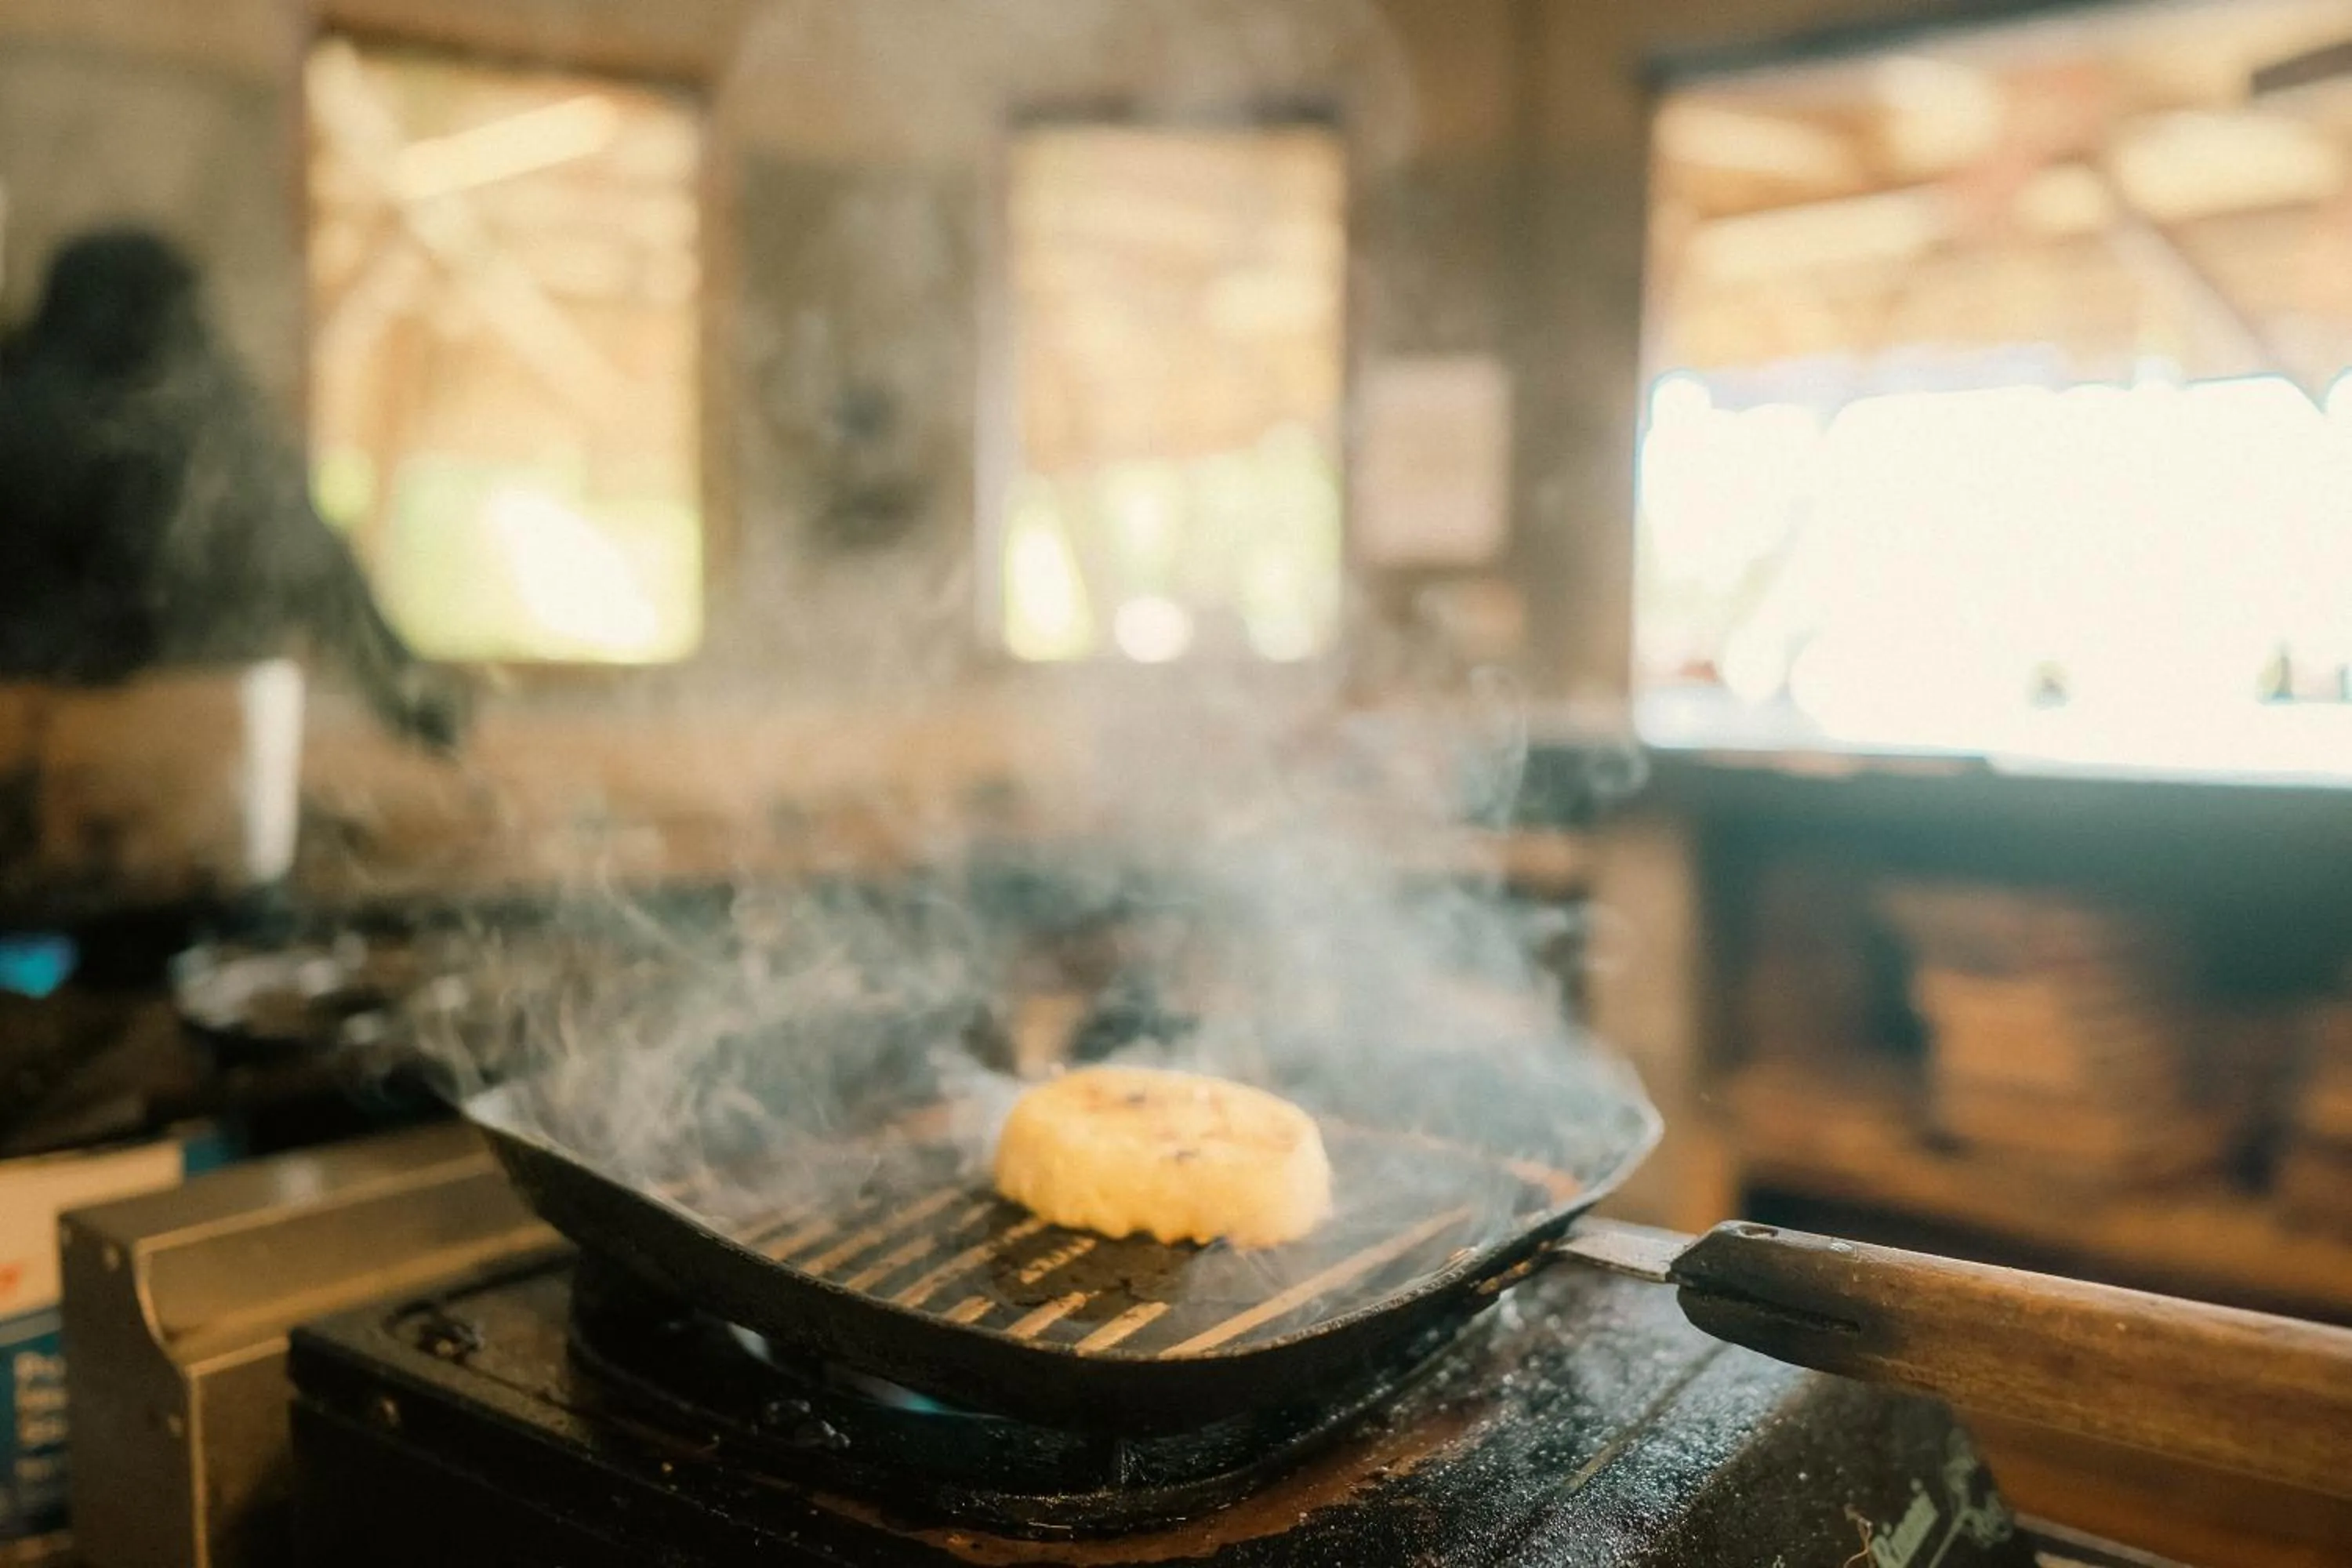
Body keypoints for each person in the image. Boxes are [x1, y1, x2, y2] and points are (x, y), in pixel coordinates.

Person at [0, 227, 466, 748]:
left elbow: (309, 555)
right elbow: (317, 562)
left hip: (64, 727)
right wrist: (412, 697)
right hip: (195, 736)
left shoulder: (37, 407)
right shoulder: (221, 426)